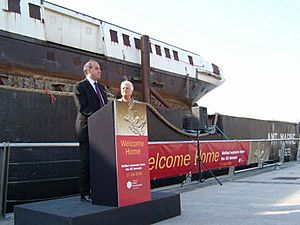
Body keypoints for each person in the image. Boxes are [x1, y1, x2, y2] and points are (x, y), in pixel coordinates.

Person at [73, 59, 108, 202]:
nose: (99, 71)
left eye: (99, 68)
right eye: (96, 68)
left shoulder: (102, 88)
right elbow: (83, 108)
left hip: (101, 131)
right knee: (86, 162)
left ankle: (99, 189)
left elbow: (105, 106)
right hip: (87, 130)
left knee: (101, 162)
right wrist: (99, 118)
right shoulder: (79, 86)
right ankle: (85, 193)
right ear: (88, 71)